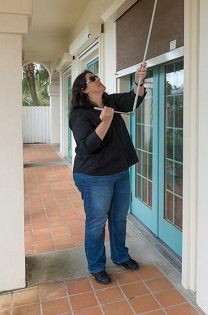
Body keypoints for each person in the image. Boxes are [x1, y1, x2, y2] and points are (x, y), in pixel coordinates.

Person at [69, 63, 147, 284]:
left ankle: (121, 256)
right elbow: (88, 146)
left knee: (119, 217)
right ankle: (96, 266)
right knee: (96, 222)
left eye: (96, 77)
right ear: (84, 89)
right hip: (94, 176)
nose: (97, 79)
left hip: (119, 171)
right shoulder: (80, 115)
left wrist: (139, 80)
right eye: (93, 79)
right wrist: (105, 122)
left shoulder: (110, 101)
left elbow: (134, 100)